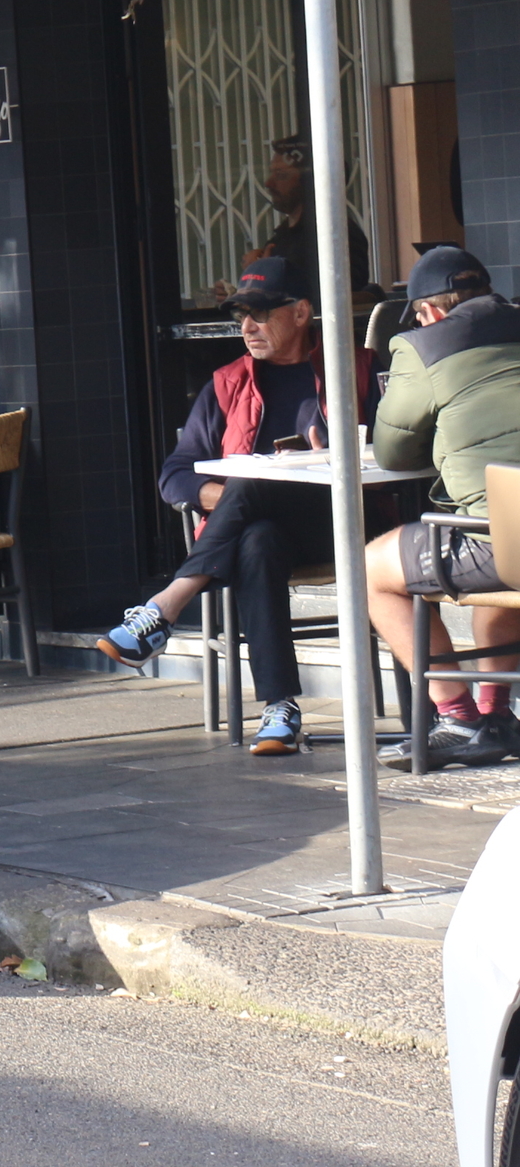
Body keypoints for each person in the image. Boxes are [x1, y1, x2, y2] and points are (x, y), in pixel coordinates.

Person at [97, 251, 376, 755]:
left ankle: (165, 606)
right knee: (256, 536)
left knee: (254, 482)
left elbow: (390, 452)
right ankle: (280, 708)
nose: (248, 326)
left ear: (301, 312)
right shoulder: (228, 384)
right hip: (264, 532)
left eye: (261, 313)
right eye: (240, 316)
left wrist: (329, 458)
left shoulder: (355, 370)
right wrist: (237, 498)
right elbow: (175, 476)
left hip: (342, 520)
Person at [361, 246, 520, 768]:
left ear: (428, 310)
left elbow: (392, 450)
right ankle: (496, 716)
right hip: (507, 539)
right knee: (501, 561)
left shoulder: (423, 346)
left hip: (501, 541)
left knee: (370, 569)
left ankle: (457, 717)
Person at [231, 136, 372, 305]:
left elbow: (342, 302)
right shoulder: (283, 236)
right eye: (272, 173)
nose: (269, 183)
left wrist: (261, 273)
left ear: (310, 182)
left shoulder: (338, 234)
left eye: (281, 175)